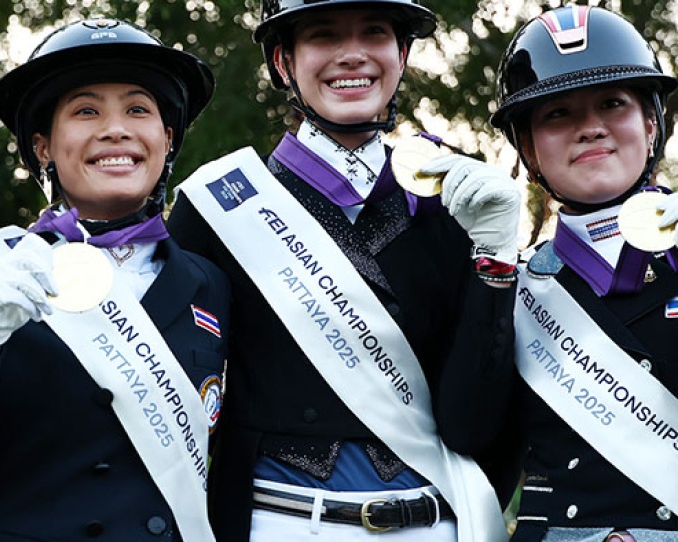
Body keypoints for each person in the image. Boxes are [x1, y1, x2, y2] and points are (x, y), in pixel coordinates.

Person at [166, 0, 524, 540]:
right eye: (325, 35)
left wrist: (496, 253)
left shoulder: (456, 206)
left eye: (375, 32)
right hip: (278, 521)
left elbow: (475, 426)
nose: (352, 55)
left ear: (401, 54)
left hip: (431, 521)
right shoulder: (220, 208)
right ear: (284, 62)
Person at [0, 18, 229, 542]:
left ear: (165, 138)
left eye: (138, 109)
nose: (115, 128)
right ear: (44, 146)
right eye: (86, 110)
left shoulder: (208, 281)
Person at [491, 5, 678, 541]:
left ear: (650, 123)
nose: (590, 127)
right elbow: (476, 443)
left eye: (612, 104)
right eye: (557, 114)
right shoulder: (512, 286)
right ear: (527, 147)